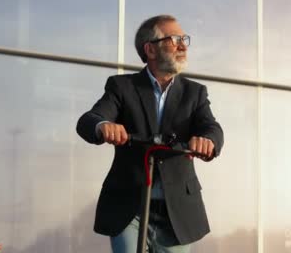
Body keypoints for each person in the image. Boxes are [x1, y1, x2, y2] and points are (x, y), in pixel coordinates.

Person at [76, 14, 224, 253]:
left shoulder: (195, 93)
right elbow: (89, 119)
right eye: (174, 39)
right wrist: (103, 126)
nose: (183, 45)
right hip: (128, 208)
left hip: (177, 210)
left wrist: (207, 140)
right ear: (151, 50)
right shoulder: (121, 87)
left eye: (184, 39)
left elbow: (212, 128)